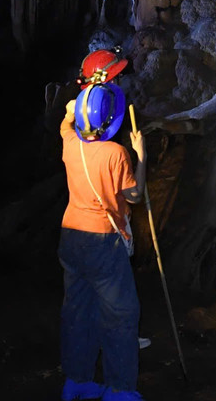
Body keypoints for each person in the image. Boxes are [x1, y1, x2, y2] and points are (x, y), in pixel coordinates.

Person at [58, 81, 147, 401]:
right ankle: (120, 389)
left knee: (78, 310)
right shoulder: (116, 154)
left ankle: (77, 381)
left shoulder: (70, 143)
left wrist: (72, 110)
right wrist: (141, 156)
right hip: (102, 241)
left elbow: (66, 123)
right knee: (120, 314)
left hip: (70, 236)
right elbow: (134, 195)